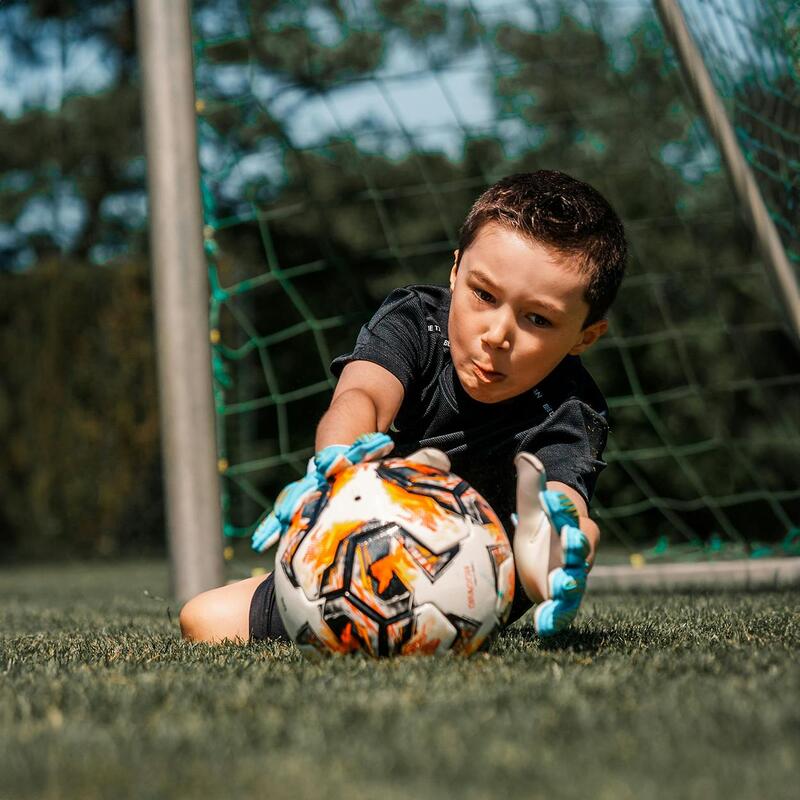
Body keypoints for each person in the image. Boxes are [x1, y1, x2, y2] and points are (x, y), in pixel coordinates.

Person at [179, 170, 627, 645]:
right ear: (455, 272)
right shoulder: (417, 322)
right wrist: (338, 461)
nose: (497, 334)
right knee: (202, 619)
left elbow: (564, 508)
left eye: (537, 318)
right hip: (360, 556)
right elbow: (362, 396)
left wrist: (557, 555)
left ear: (585, 335)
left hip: (472, 599)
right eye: (484, 295)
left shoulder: (571, 408)